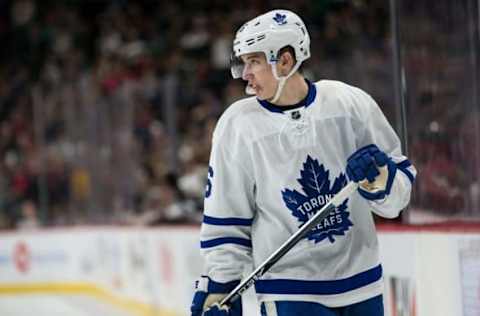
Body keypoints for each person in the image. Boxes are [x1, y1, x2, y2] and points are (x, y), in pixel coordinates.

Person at [190, 9, 416, 316]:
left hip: (361, 282)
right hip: (288, 289)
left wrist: (380, 179)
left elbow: (396, 201)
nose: (245, 74)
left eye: (254, 61)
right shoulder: (238, 126)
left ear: (284, 60)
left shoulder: (349, 104)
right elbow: (226, 217)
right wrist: (219, 286)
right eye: (243, 63)